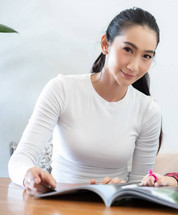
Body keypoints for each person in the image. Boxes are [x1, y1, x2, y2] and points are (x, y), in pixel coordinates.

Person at [8, 7, 162, 195]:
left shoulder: (149, 110)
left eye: (146, 56)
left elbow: (141, 185)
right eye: (128, 50)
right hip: (59, 204)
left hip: (113, 210)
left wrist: (117, 189)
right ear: (105, 44)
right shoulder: (62, 89)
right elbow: (20, 159)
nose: (134, 66)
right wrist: (28, 176)